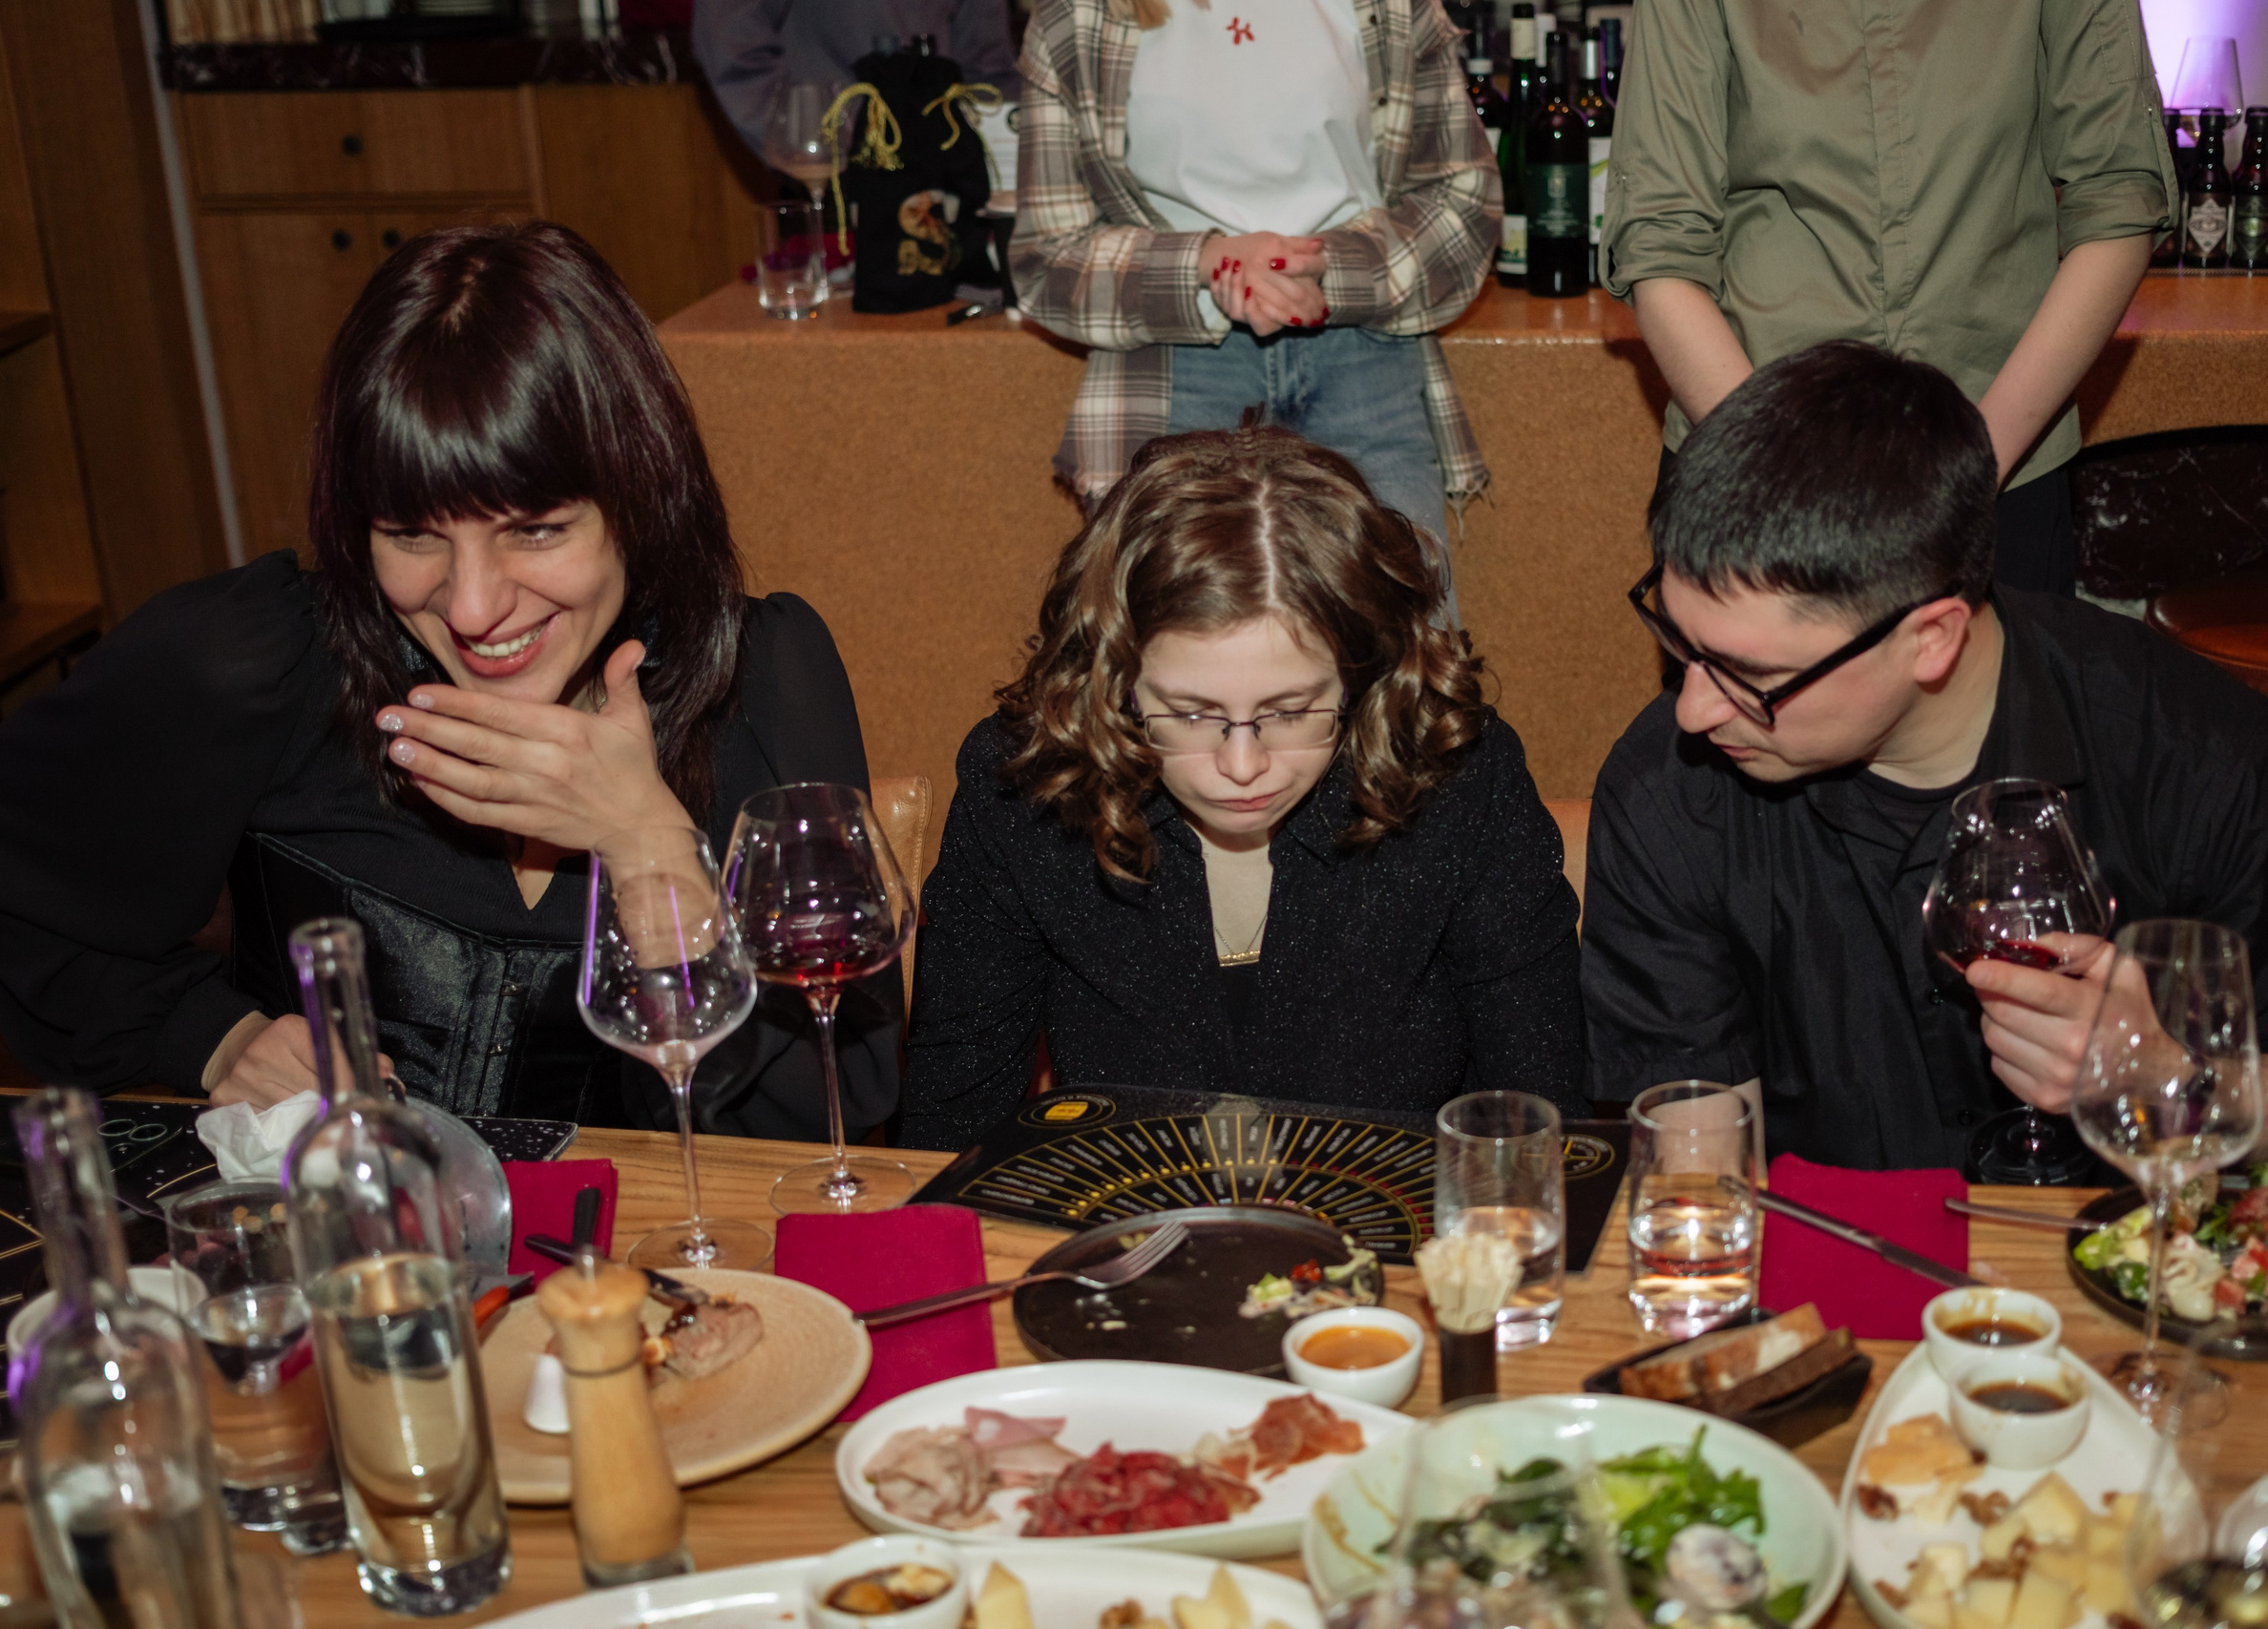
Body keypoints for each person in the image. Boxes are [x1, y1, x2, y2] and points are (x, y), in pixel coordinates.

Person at [0, 222, 897, 1139]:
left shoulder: (761, 686)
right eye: (411, 534)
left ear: (643, 497)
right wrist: (212, 1036)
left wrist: (648, 845)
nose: (470, 607)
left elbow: (831, 1127)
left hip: (635, 1274)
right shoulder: (257, 663)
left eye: (535, 530)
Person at [1579, 342, 2268, 1170]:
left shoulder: (2199, 750)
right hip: (1820, 1276)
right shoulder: (1665, 789)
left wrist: (2164, 1082)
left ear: (1933, 638)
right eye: (1678, 643)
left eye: (1750, 675)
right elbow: (1703, 1182)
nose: (1694, 711)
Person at [900, 428, 1583, 1150]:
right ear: (1116, 680)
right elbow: (954, 1126)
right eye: (1191, 714)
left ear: (1360, 673)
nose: (1243, 763)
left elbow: (1543, 1124)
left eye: (1290, 711)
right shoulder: (1027, 781)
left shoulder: (1462, 775)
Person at [1606, 0, 2177, 595]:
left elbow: (2118, 202)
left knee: (2004, 690)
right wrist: (1780, 484)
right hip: (1752, 461)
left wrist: (1973, 474)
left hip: (2003, 457)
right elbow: (1661, 241)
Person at [1010, 0, 1498, 560]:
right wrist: (1210, 259)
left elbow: (1465, 204)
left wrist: (1327, 268)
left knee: (1403, 633)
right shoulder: (1076, 17)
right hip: (1173, 366)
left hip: (1364, 353)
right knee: (1181, 634)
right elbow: (1046, 258)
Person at [694, 0, 1022, 154]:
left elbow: (989, 71)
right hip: (837, 187)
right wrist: (807, 144)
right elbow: (729, 39)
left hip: (945, 187)